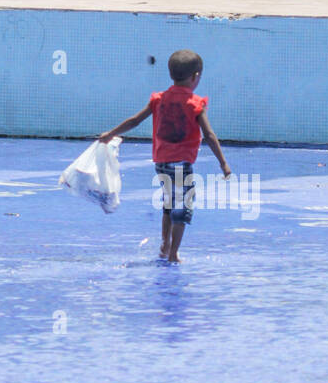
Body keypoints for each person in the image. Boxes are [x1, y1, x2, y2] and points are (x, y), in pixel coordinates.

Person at [97, 48, 231, 263]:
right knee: (183, 207)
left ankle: (164, 245)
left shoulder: (159, 99)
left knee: (169, 205)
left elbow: (134, 121)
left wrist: (110, 134)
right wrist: (223, 163)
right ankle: (173, 253)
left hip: (161, 163)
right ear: (196, 77)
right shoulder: (195, 104)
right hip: (182, 165)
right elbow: (210, 135)